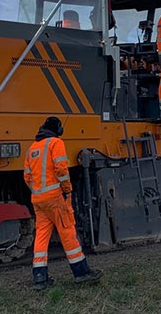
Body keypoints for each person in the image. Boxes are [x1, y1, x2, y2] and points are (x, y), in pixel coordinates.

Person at [23, 116, 103, 290]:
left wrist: (38, 192)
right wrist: (67, 189)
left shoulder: (32, 149)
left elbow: (27, 177)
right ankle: (81, 272)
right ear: (56, 129)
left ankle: (39, 278)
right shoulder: (55, 143)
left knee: (42, 236)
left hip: (38, 200)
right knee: (67, 231)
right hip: (56, 198)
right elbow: (61, 169)